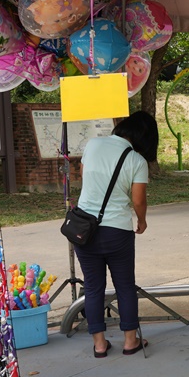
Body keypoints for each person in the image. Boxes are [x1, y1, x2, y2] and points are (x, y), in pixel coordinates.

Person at [74, 111, 158, 358]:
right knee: (124, 286)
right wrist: (142, 221)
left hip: (83, 230)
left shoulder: (93, 144)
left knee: (92, 287)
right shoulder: (136, 161)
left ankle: (99, 344)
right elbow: (138, 199)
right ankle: (130, 341)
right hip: (117, 232)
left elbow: (84, 178)